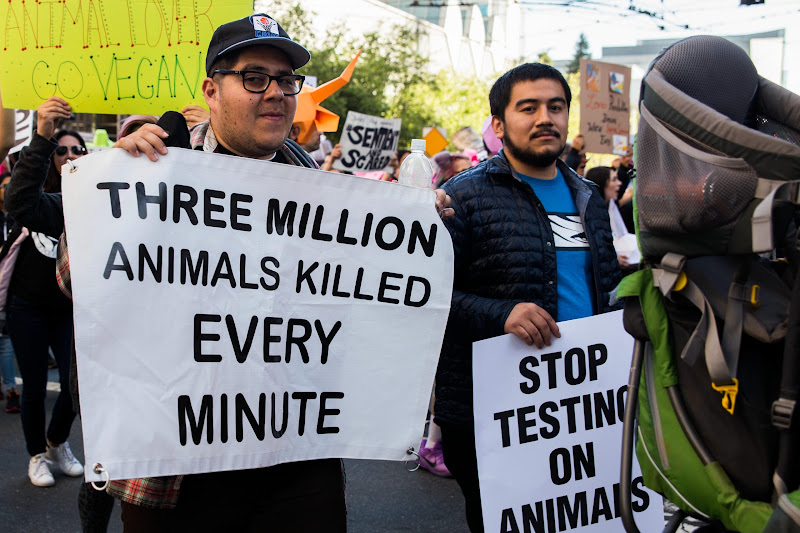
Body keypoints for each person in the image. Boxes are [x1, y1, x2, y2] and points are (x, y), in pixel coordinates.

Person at [109, 13, 452, 532]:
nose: (276, 93)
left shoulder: (318, 187)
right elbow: (76, 279)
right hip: (178, 461)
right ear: (211, 90)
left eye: (287, 80)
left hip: (294, 456)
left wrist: (413, 237)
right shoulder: (157, 166)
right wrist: (116, 189)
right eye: (254, 78)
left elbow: (361, 298)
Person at [435, 63, 621, 532]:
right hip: (492, 414)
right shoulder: (464, 197)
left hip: (584, 406)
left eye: (555, 107)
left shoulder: (590, 197)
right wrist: (502, 315)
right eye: (528, 107)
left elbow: (604, 289)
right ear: (498, 124)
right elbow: (427, 297)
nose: (545, 118)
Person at [5, 101, 87, 488]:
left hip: (68, 310)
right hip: (28, 309)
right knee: (35, 387)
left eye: (77, 149)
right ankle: (37, 454)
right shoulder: (48, 202)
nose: (69, 154)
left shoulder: (89, 200)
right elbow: (20, 202)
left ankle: (57, 442)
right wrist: (42, 136)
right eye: (61, 150)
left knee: (75, 386)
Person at [0, 171, 20, 413]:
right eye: (3, 186)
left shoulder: (18, 219)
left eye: (10, 186)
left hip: (7, 290)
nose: (6, 190)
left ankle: (11, 389)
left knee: (4, 342)